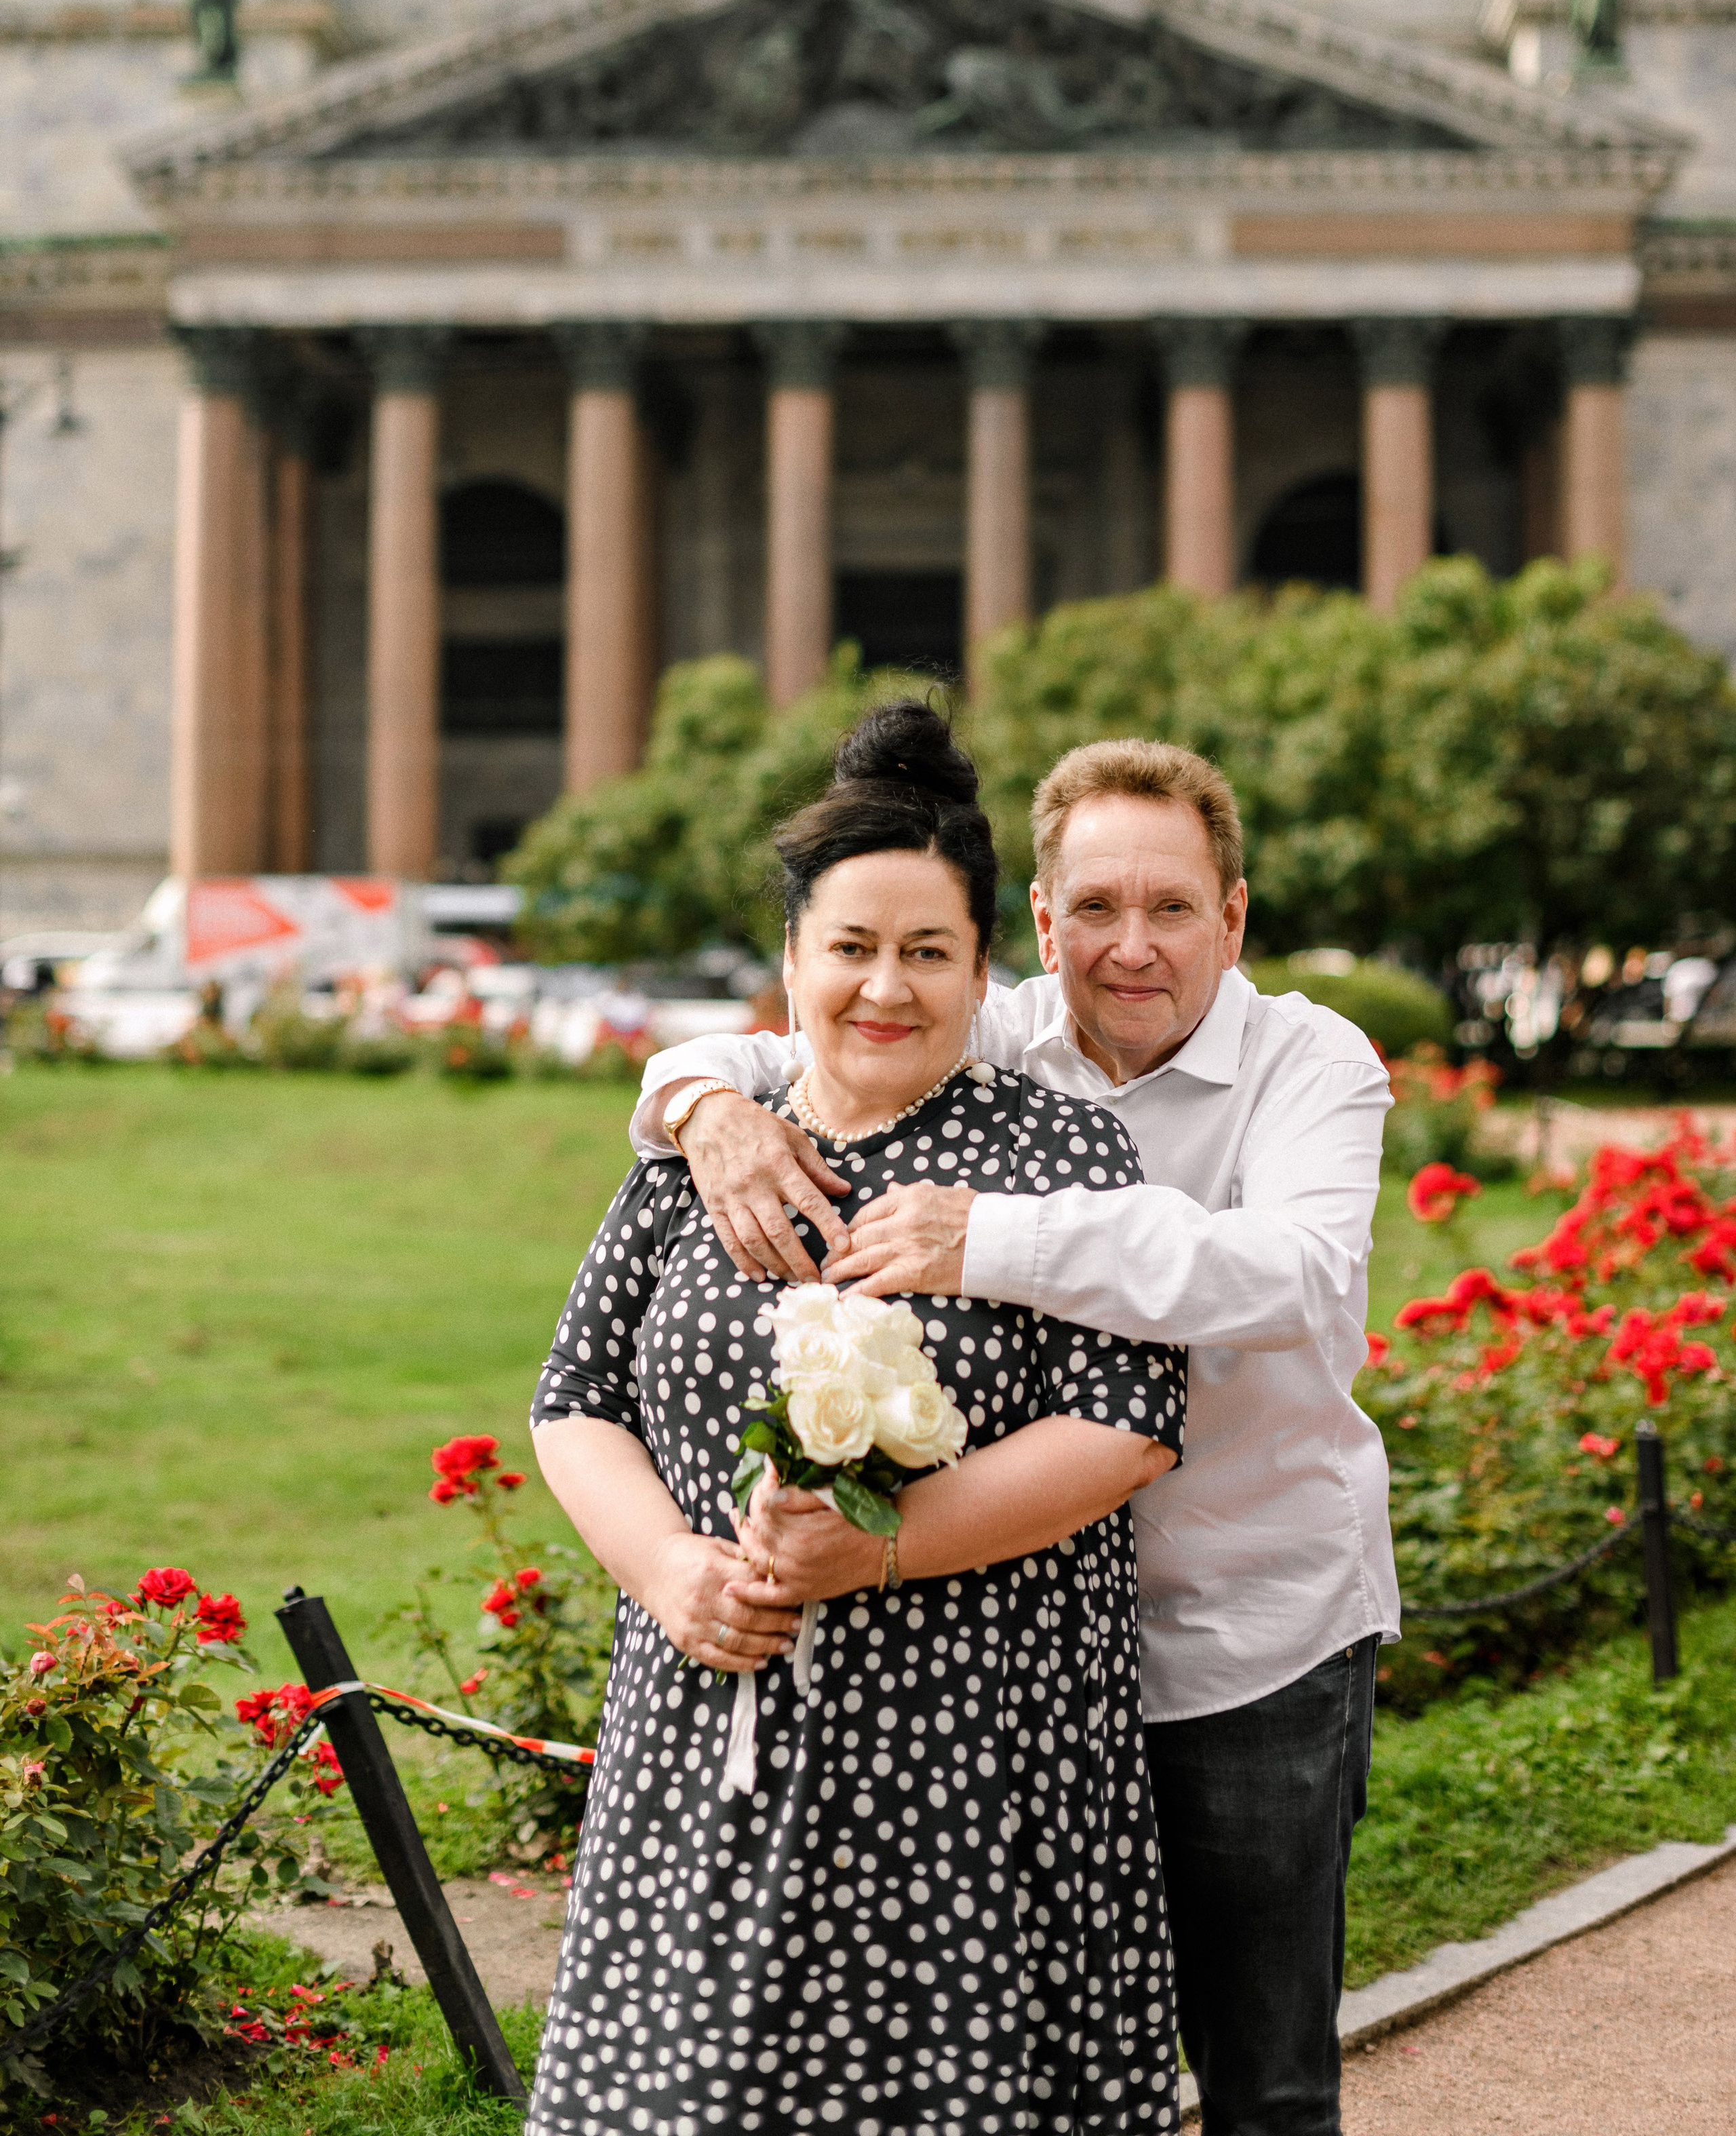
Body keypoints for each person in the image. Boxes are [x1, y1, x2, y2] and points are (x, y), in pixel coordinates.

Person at [633, 737, 1399, 2136]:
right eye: (1092, 910)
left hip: (1248, 1633)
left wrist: (991, 1239)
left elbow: (1292, 1275)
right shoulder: (990, 1019)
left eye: (1170, 908)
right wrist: (706, 1110)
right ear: (1038, 927)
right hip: (1028, 1658)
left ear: (1232, 916)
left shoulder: (1309, 1060)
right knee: (1050, 2042)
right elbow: (755, 1033)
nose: (1129, 948)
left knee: (1263, 2065)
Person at [529, 703, 1188, 2136]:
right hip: (711, 1726)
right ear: (788, 966)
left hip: (971, 1758)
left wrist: (874, 1552)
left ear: (981, 968)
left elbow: (1130, 1419)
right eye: (849, 948)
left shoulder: (1058, 1148)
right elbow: (574, 1398)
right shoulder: (699, 1153)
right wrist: (668, 1573)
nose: (884, 988)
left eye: (926, 951)